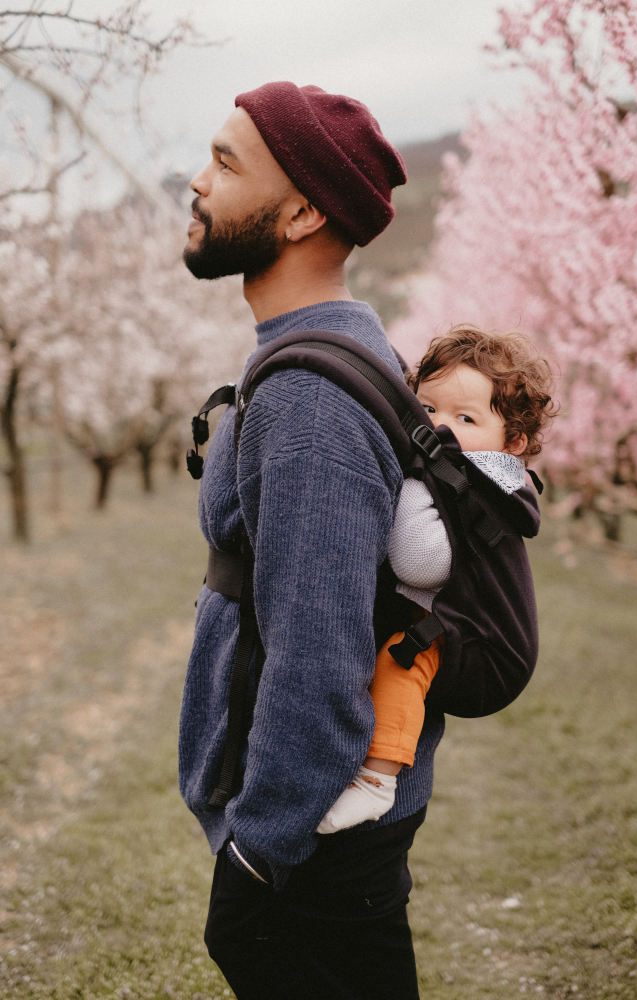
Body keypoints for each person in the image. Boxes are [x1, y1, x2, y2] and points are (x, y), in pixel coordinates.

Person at [179, 81, 430, 1000]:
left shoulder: (309, 401)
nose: (196, 180)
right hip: (320, 836)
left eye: (225, 162)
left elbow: (319, 661)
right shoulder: (325, 344)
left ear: (303, 212)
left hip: (312, 847)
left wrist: (258, 853)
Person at [317, 326, 555, 834]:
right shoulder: (463, 467)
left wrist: (408, 481)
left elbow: (420, 560)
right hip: (470, 630)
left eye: (464, 418)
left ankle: (376, 783)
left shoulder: (477, 480)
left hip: (489, 653)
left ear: (511, 442)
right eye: (426, 410)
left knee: (404, 656)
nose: (439, 429)